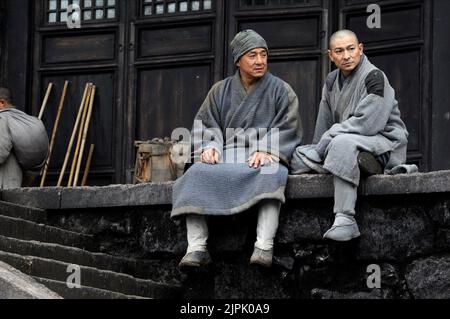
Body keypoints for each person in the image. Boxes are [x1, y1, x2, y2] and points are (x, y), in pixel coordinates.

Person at [171, 30, 303, 268]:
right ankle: (197, 248)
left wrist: (268, 150)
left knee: (271, 173)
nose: (260, 61)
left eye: (263, 55)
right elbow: (207, 124)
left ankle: (264, 246)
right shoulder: (219, 91)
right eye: (252, 55)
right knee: (194, 174)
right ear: (238, 61)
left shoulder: (281, 90)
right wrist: (209, 147)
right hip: (227, 152)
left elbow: (288, 126)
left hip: (261, 154)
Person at [290, 30, 409, 242]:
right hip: (346, 139)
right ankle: (346, 162)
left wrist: (330, 138)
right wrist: (318, 147)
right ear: (330, 55)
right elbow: (324, 121)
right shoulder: (331, 80)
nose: (346, 55)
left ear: (360, 49)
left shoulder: (374, 77)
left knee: (341, 144)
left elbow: (369, 123)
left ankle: (345, 219)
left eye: (351, 49)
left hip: (382, 141)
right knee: (296, 157)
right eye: (339, 51)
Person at [0, 87, 49, 189]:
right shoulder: (26, 120)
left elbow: (0, 152)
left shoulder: (2, 119)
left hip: (5, 185)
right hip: (22, 180)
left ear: (2, 103)